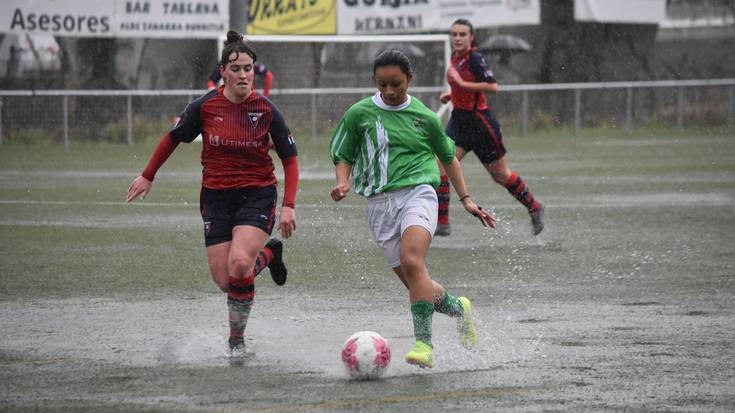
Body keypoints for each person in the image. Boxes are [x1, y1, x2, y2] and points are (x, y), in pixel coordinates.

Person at [127, 30, 299, 353]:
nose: (244, 75)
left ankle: (236, 342)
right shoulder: (204, 107)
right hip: (216, 198)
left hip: (258, 194)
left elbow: (290, 159)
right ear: (222, 72)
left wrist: (288, 205)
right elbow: (172, 138)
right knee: (226, 281)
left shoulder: (266, 110)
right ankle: (270, 254)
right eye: (236, 69)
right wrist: (147, 175)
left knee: (238, 265)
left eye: (248, 68)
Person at [330, 50, 496, 369]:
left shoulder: (425, 118)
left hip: (418, 193)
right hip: (378, 204)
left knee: (412, 260)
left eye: (396, 84)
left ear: (410, 79)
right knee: (415, 282)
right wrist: (342, 182)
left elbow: (449, 158)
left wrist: (467, 200)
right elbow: (344, 153)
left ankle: (423, 344)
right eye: (382, 84)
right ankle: (460, 310)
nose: (390, 91)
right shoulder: (359, 114)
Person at [436, 18, 545, 236]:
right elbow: (463, 87)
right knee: (441, 164)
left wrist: (460, 84)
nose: (457, 38)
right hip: (459, 121)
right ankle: (443, 222)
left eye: (462, 34)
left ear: (471, 37)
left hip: (480, 124)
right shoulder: (455, 57)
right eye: (454, 34)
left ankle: (535, 207)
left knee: (500, 175)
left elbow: (492, 86)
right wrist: (452, 94)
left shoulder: (475, 58)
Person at [208, 60, 273, 97]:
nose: (242, 76)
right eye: (235, 69)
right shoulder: (223, 64)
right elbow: (211, 81)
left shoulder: (249, 61)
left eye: (247, 69)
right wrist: (213, 95)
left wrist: (265, 96)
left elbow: (269, 75)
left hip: (249, 100)